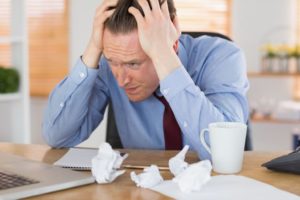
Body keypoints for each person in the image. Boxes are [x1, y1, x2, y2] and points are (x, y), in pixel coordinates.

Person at [42, 0, 249, 160]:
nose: (121, 80)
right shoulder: (109, 64)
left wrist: (164, 56)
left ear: (172, 44)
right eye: (112, 61)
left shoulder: (222, 57)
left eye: (133, 64)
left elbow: (225, 153)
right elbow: (57, 136)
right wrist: (94, 49)